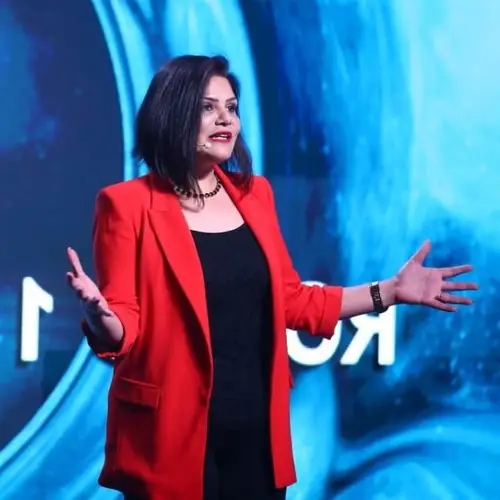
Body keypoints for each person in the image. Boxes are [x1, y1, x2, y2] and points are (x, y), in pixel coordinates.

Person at [66, 55, 478, 500]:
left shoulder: (254, 195)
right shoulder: (125, 205)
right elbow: (123, 327)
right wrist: (101, 316)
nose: (226, 119)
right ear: (174, 113)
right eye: (208, 108)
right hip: (169, 437)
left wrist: (391, 291)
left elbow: (294, 301)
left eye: (232, 107)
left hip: (255, 437)